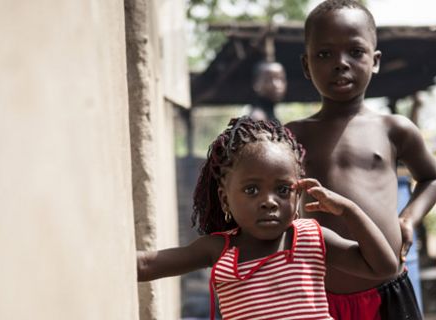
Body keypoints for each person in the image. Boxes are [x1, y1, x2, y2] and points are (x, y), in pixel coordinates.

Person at [137, 116, 398, 319]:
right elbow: (146, 265)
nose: (269, 201)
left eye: (283, 190)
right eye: (251, 190)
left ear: (298, 195)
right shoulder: (219, 249)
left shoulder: (310, 239)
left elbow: (384, 267)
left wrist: (349, 210)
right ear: (225, 198)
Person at [285, 0, 436, 319]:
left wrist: (409, 218)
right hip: (317, 295)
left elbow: (431, 178)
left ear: (375, 60)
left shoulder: (394, 129)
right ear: (306, 65)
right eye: (325, 54)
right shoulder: (291, 136)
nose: (340, 63)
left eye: (355, 52)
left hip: (389, 290)